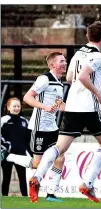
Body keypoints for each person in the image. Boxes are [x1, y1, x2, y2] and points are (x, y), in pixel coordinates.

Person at [27, 21, 101, 204]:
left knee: (59, 148)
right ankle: (88, 183)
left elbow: (69, 77)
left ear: (88, 37)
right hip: (89, 106)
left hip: (72, 106)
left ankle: (38, 177)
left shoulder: (78, 53)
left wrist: (97, 76)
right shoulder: (98, 56)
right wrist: (98, 93)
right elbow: (81, 77)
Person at [23, 52, 67, 202]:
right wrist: (44, 107)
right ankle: (15, 160)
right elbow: (27, 97)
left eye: (65, 61)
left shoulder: (60, 83)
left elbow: (59, 105)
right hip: (39, 126)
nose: (65, 63)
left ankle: (51, 194)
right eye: (61, 61)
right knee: (37, 163)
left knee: (60, 158)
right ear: (52, 65)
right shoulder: (44, 79)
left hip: (52, 127)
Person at [1, 97, 29, 196]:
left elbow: (28, 139)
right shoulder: (3, 120)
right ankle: (4, 198)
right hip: (7, 155)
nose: (16, 108)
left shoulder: (24, 121)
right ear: (8, 107)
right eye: (14, 106)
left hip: (21, 155)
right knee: (6, 178)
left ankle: (25, 198)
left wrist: (30, 153)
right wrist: (6, 146)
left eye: (18, 106)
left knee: (23, 178)